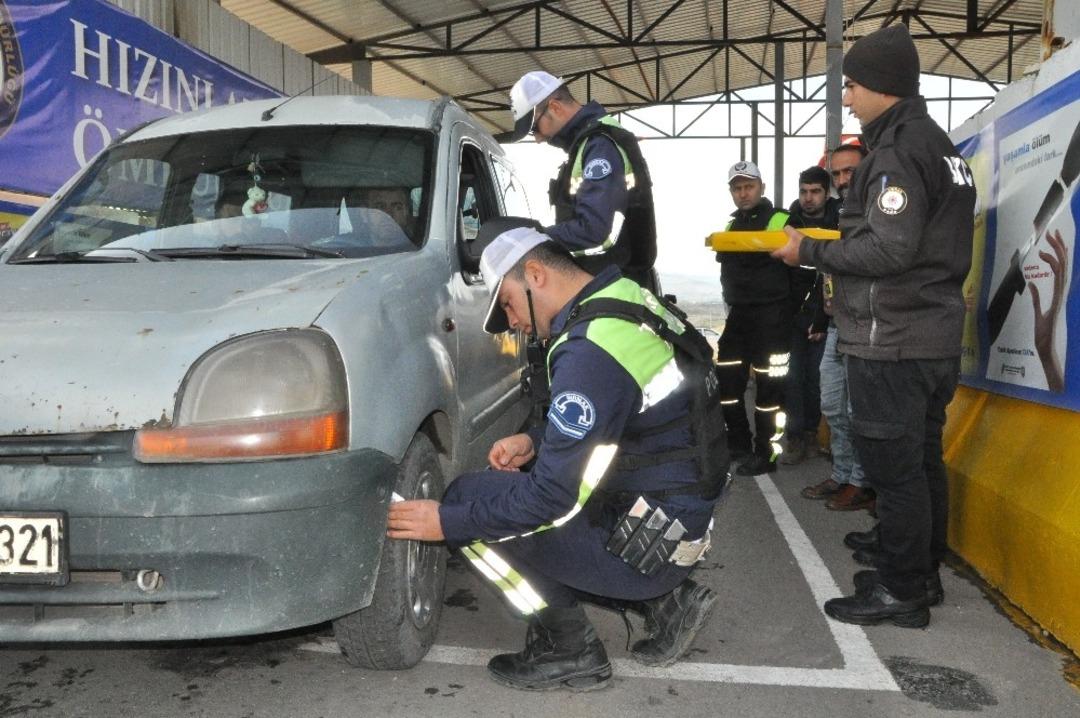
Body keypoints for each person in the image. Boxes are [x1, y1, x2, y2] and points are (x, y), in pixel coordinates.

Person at [387, 226, 727, 691]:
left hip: (648, 540)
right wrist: (536, 440)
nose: (513, 322)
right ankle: (666, 602)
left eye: (509, 304)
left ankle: (569, 649)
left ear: (535, 274)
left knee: (469, 505)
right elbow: (623, 413)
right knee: (504, 497)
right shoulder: (623, 300)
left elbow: (552, 499)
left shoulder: (589, 351)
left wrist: (445, 523)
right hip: (670, 522)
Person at [773, 24, 975, 627]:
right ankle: (918, 571)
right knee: (921, 460)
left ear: (883, 87)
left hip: (894, 341)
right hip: (930, 336)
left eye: (853, 86)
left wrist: (806, 251)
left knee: (895, 470)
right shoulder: (938, 146)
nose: (848, 98)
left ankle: (902, 590)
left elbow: (889, 249)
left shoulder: (896, 154)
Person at [509, 71, 658, 289]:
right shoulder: (587, 147)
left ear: (555, 108)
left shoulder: (600, 147)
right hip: (607, 282)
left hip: (613, 288)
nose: (538, 139)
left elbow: (595, 231)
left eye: (534, 128)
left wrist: (534, 237)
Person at [799, 143, 878, 513]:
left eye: (851, 172)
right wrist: (821, 317)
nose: (844, 180)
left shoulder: (879, 210)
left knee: (857, 410)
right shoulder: (839, 214)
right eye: (837, 174)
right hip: (836, 325)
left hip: (867, 328)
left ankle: (861, 483)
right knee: (832, 406)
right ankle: (842, 474)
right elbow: (827, 273)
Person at [714, 160, 795, 476]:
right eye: (737, 188)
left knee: (770, 393)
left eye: (749, 186)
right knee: (727, 383)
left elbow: (802, 271)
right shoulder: (731, 225)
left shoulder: (782, 220)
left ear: (761, 187)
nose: (743, 193)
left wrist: (792, 313)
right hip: (739, 317)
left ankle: (766, 454)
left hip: (772, 319)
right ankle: (738, 444)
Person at [780, 166, 839, 466]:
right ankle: (795, 437)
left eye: (815, 191)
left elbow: (831, 275)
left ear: (827, 193)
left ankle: (812, 434)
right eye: (804, 191)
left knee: (817, 380)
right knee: (792, 379)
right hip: (792, 317)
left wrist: (821, 319)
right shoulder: (789, 224)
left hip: (826, 318)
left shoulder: (840, 223)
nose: (808, 197)